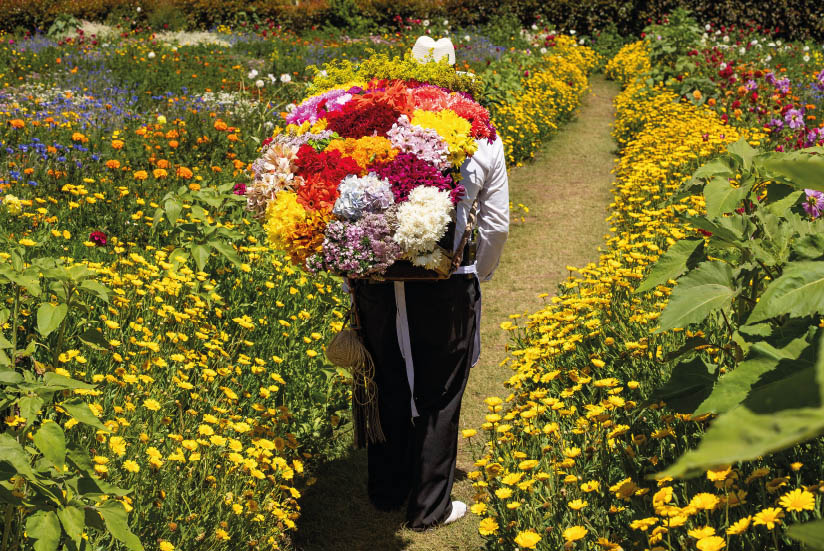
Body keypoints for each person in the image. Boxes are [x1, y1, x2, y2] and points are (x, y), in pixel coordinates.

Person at [350, 36, 510, 531]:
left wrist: (354, 272)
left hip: (375, 278)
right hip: (445, 283)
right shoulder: (479, 132)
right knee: (441, 389)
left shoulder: (372, 124)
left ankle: (387, 488)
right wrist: (474, 273)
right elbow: (497, 224)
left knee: (384, 375)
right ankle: (429, 506)